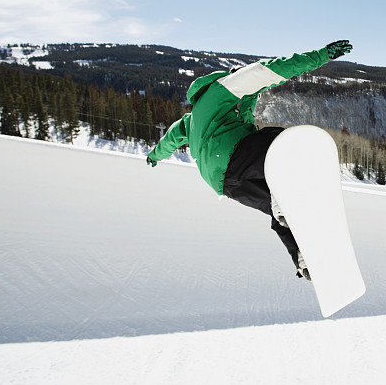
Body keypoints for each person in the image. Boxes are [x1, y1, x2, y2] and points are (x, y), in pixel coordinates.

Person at [147, 40, 353, 279]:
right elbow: (266, 72)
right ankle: (280, 196)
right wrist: (321, 56)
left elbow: (170, 138)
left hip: (225, 184)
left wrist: (154, 155)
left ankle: (304, 259)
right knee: (278, 140)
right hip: (232, 156)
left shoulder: (190, 120)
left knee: (281, 214)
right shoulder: (223, 87)